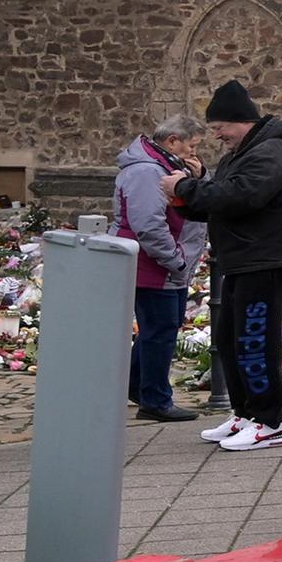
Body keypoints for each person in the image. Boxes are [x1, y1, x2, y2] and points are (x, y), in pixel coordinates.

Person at [167, 79, 282, 453]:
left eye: (219, 128)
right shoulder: (242, 155)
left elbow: (243, 196)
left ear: (240, 121)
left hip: (266, 261)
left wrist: (185, 189)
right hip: (242, 261)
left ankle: (269, 422)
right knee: (230, 341)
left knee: (254, 343)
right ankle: (246, 413)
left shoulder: (274, 152)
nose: (217, 137)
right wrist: (190, 192)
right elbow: (220, 201)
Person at [116, 114, 211, 422]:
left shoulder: (167, 166)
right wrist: (176, 260)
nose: (195, 152)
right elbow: (148, 225)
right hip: (155, 264)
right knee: (160, 330)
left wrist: (199, 178)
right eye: (192, 146)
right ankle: (155, 400)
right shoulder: (147, 172)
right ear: (173, 141)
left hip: (167, 262)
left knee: (160, 328)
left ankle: (136, 386)